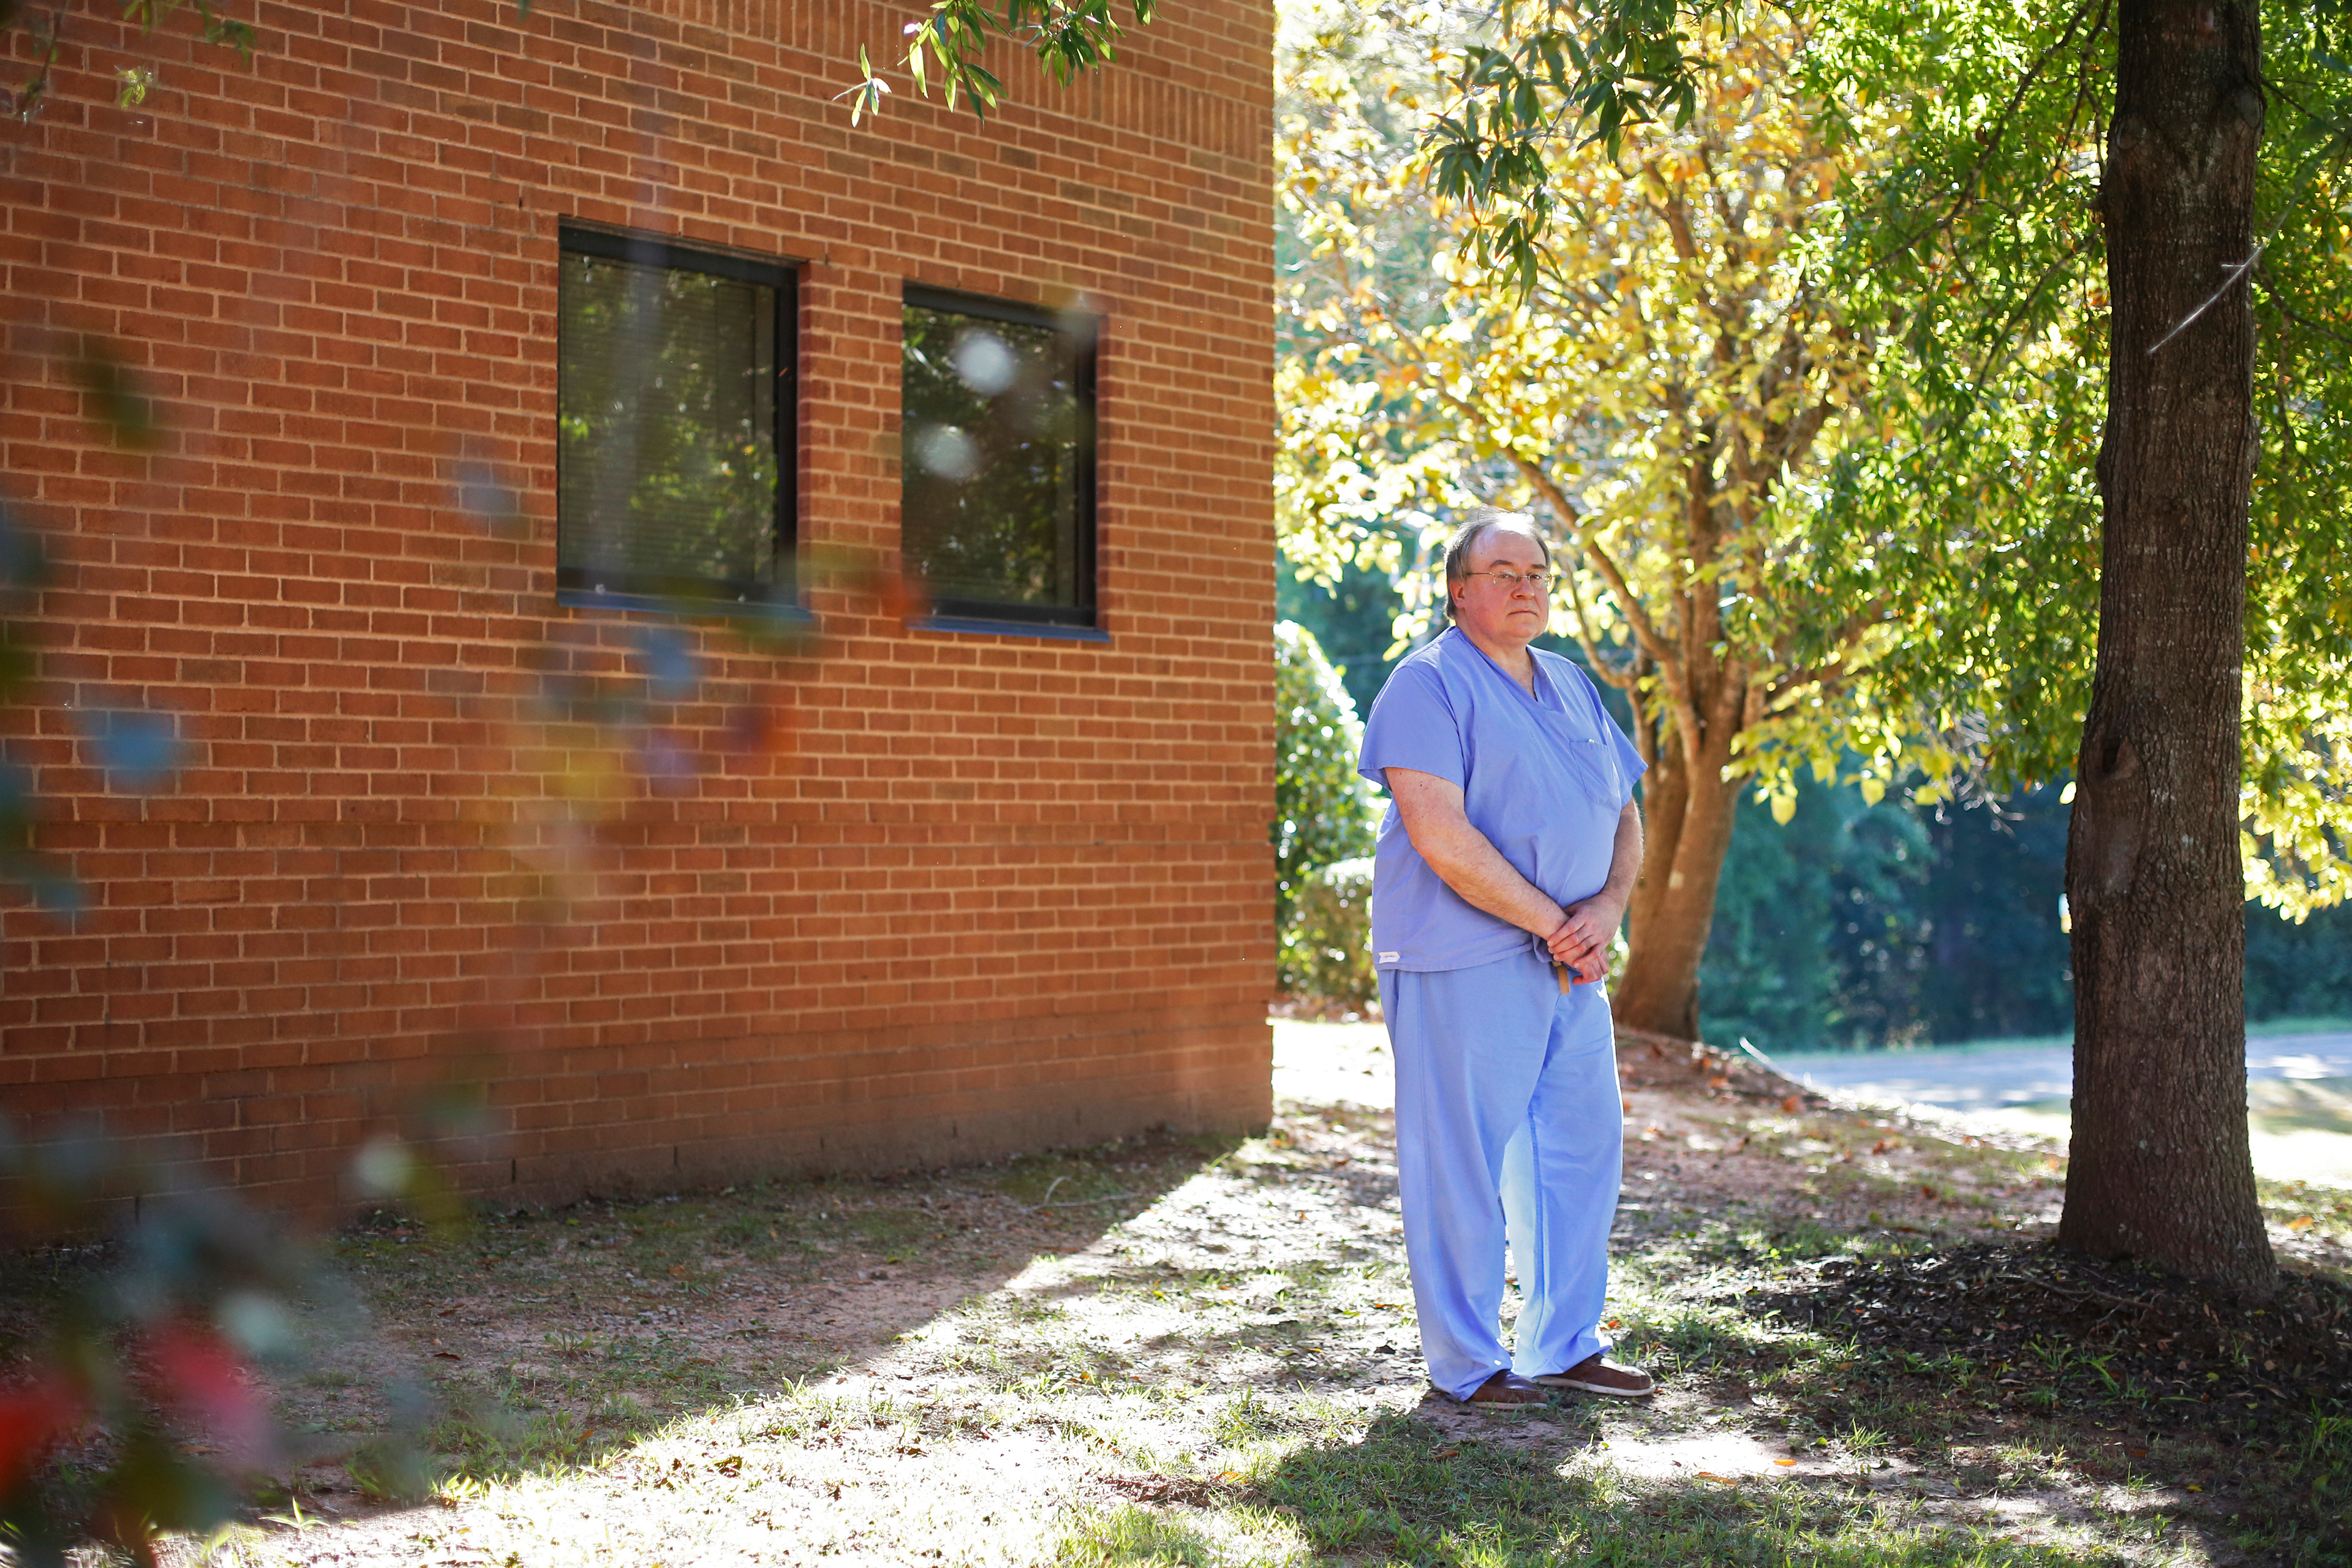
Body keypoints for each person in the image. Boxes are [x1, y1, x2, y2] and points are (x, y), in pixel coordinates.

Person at [1358, 510, 1655, 1406]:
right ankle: (1467, 1364)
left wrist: (1604, 909)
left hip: (1570, 959)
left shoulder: (1568, 683)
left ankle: (1563, 1344)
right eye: (1503, 572)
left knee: (1578, 1149)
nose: (1525, 587)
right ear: (1459, 589)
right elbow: (1439, 833)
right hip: (1462, 954)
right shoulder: (1427, 684)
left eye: (1537, 573)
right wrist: (1554, 922)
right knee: (1461, 1158)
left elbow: (1623, 813)